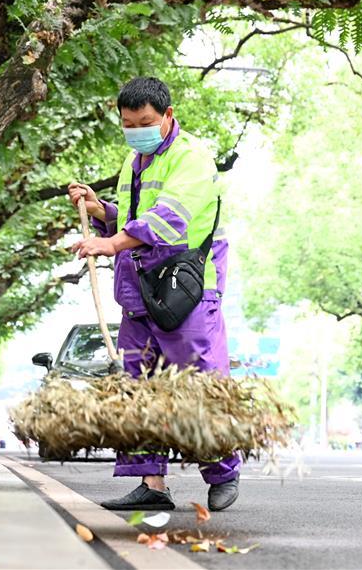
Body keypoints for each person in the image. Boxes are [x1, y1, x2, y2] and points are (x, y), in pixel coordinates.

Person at [68, 77, 239, 512]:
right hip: (139, 293)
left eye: (144, 122)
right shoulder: (133, 161)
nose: (136, 130)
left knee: (197, 385)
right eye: (128, 124)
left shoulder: (192, 160)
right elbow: (130, 219)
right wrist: (100, 211)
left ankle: (222, 472)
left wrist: (110, 243)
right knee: (135, 388)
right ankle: (151, 484)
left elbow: (168, 220)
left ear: (167, 117)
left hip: (187, 292)